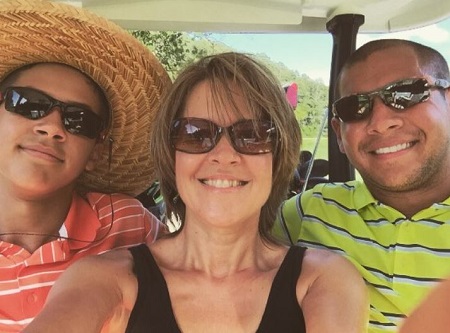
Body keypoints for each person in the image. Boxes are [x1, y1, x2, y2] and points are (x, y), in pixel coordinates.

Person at [23, 52, 368, 333]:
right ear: (171, 156)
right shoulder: (105, 279)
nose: (223, 154)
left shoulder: (323, 280)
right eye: (195, 133)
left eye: (252, 134)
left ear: (277, 157)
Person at [0, 0, 171, 331]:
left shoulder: (129, 224)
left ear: (95, 153)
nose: (51, 127)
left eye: (79, 120)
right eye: (29, 104)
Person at [274, 38, 450, 332]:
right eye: (355, 107)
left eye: (405, 93)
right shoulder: (308, 213)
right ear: (339, 135)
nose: (380, 122)